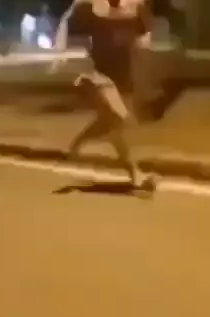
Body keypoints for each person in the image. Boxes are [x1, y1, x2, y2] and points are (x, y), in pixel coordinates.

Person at [52, 0, 156, 192]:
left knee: (114, 128)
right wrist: (60, 51)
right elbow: (67, 18)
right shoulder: (92, 4)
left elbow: (145, 30)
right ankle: (80, 142)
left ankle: (135, 175)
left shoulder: (135, 5)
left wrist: (144, 40)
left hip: (123, 77)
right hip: (99, 75)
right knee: (120, 117)